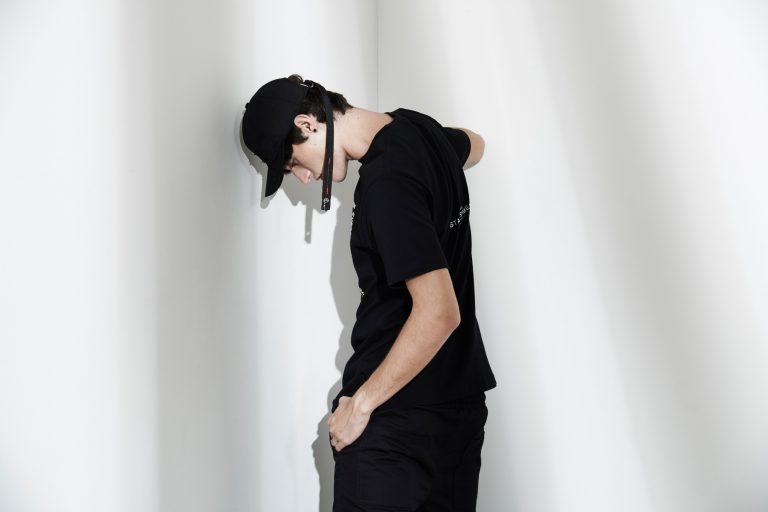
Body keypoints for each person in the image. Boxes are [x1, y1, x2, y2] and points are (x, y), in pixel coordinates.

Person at [241, 74, 497, 512]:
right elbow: (475, 144)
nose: (305, 177)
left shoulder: (386, 182)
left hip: (394, 423)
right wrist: (438, 158)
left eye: (293, 163)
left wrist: (360, 406)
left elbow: (440, 312)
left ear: (307, 123)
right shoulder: (418, 130)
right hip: (459, 411)